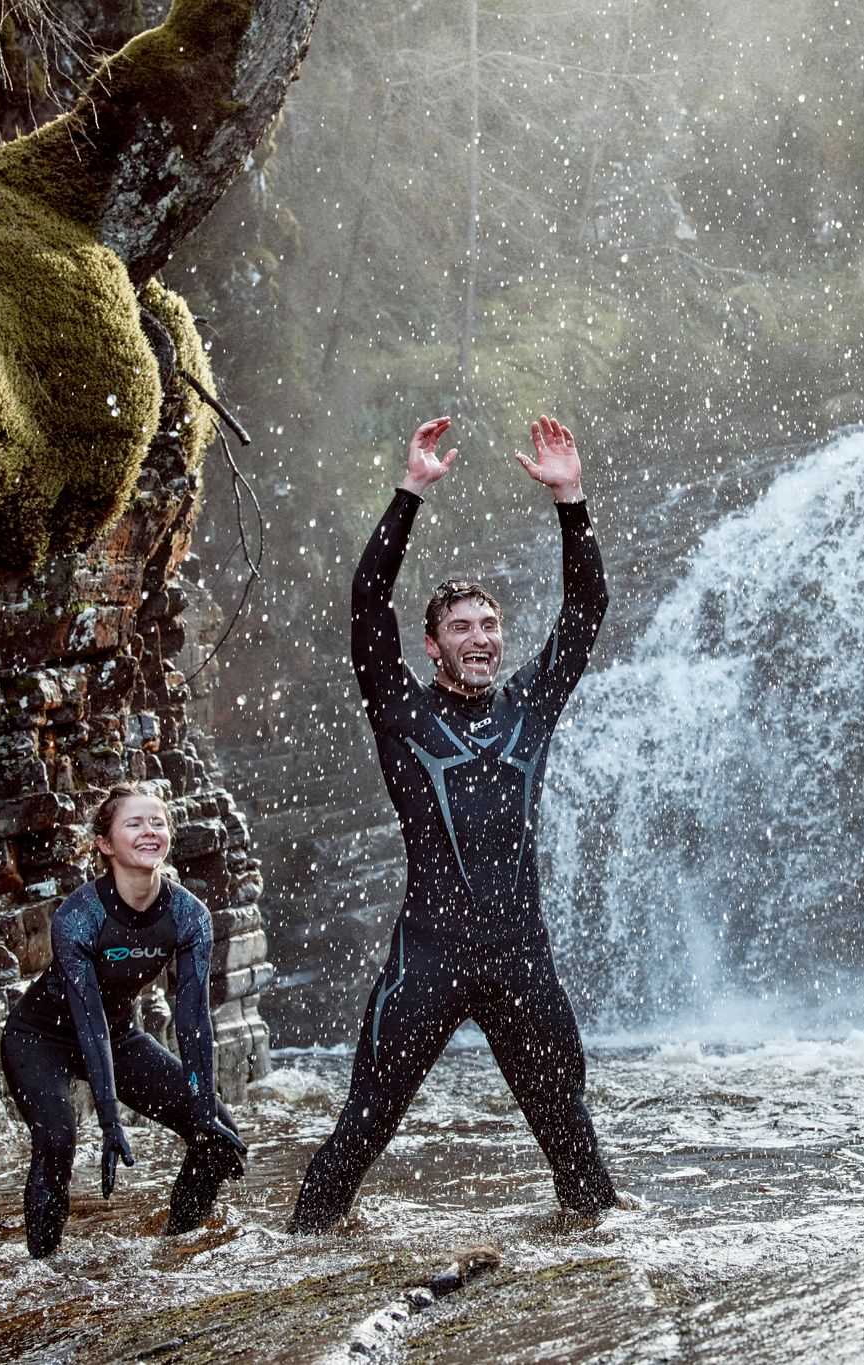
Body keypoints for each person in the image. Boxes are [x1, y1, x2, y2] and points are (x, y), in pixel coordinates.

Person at [288, 414, 620, 1233]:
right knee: (361, 1129)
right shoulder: (402, 712)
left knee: (574, 1144)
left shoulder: (530, 706)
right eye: (463, 627)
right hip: (428, 954)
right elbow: (367, 601)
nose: (482, 637)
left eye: (490, 625)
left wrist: (570, 499)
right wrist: (410, 491)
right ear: (433, 646)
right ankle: (295, 1257)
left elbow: (586, 610)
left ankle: (602, 1268)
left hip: (520, 953)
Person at [0, 783, 248, 1256]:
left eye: (158, 822)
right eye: (134, 823)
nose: (149, 831)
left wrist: (201, 1107)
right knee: (57, 1140)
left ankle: (175, 1250)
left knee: (216, 1129)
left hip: (118, 1036)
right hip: (40, 1039)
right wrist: (111, 1120)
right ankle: (40, 1273)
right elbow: (86, 1019)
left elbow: (194, 1019)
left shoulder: (188, 915)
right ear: (105, 844)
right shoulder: (79, 917)